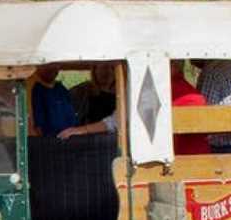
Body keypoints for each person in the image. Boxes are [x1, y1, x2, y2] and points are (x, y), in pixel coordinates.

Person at [58, 61, 211, 156]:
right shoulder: (188, 91)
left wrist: (82, 130)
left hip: (174, 163)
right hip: (193, 158)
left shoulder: (155, 87)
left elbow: (118, 120)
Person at [31, 64, 78, 137]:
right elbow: (37, 125)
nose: (52, 68)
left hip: (70, 139)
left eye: (56, 65)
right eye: (47, 65)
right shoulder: (34, 88)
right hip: (50, 141)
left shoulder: (61, 88)